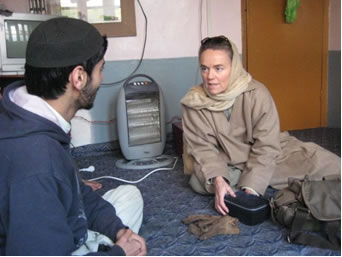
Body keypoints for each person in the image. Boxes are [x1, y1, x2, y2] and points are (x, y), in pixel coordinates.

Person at [0, 17, 146, 255]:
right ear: (79, 77)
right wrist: (120, 253)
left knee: (129, 196)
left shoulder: (32, 118)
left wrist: (117, 229)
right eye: (101, 69)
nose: (102, 79)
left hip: (59, 227)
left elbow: (74, 193)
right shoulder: (35, 164)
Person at [181, 35, 341, 216]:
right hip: (228, 160)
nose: (210, 77)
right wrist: (218, 179)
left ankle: (249, 178)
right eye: (204, 68)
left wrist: (252, 186)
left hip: (271, 153)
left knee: (330, 165)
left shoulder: (257, 94)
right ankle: (239, 178)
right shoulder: (194, 101)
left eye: (219, 68)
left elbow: (266, 145)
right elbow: (203, 150)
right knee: (199, 181)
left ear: (233, 68)